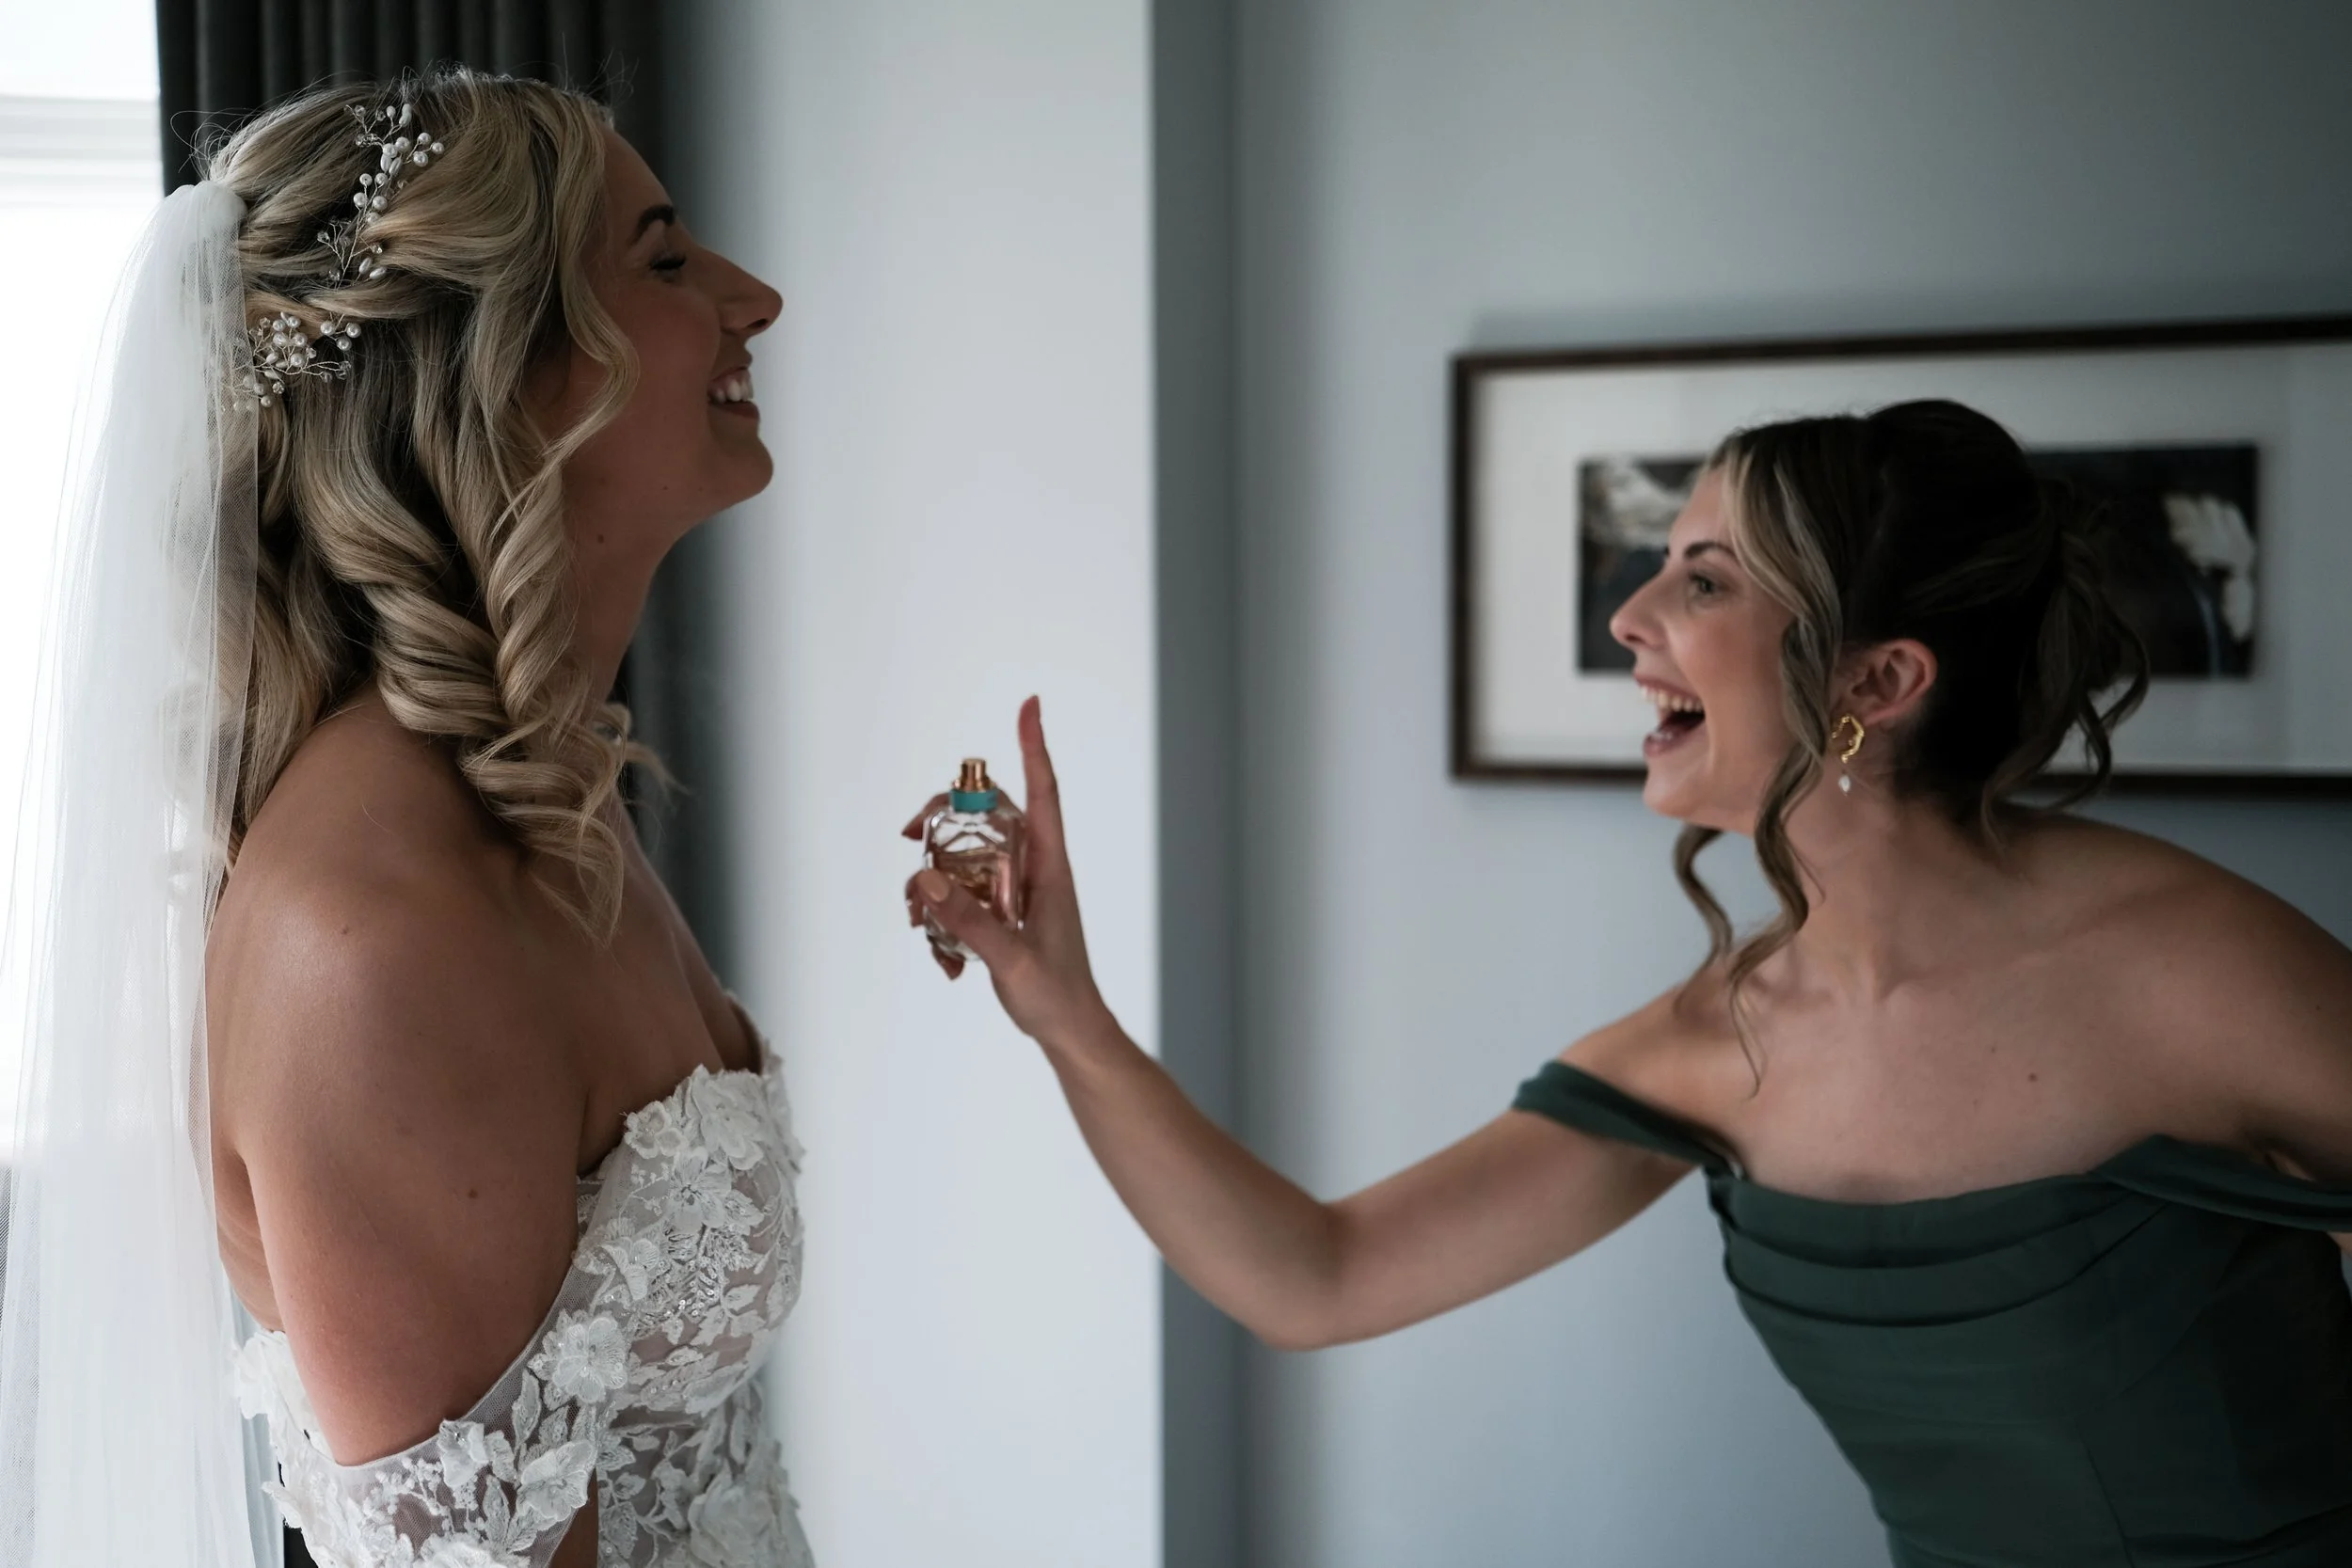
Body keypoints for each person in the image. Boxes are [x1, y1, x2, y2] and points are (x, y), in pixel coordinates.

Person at [912, 400, 2352, 1567]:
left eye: (1706, 578)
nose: (1630, 615)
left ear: (1875, 681)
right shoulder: (1708, 1051)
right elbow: (1314, 1277)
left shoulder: (2192, 966)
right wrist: (1068, 1017)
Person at [0, 71, 809, 1568]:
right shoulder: (371, 937)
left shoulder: (535, 788)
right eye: (665, 258)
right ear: (497, 369)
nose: (754, 298)